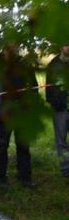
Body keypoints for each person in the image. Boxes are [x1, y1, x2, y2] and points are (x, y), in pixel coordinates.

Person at [0, 47, 39, 188]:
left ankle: (25, 176)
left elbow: (34, 87)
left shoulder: (25, 65)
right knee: (1, 145)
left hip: (22, 113)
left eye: (15, 46)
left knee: (23, 145)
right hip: (3, 113)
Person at [46, 45, 69, 177]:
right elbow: (48, 88)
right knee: (61, 141)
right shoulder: (53, 64)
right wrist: (56, 103)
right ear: (61, 47)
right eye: (66, 44)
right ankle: (66, 169)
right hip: (60, 109)